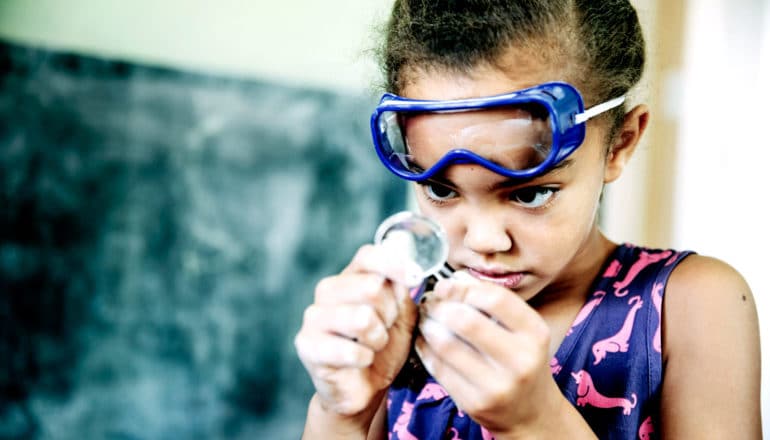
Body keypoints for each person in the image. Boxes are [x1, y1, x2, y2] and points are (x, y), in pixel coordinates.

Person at [294, 0, 762, 438]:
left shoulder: (690, 305)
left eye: (531, 193)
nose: (484, 240)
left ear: (619, 144)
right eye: (440, 189)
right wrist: (340, 413)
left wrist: (536, 421)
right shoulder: (396, 319)